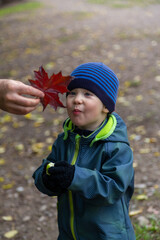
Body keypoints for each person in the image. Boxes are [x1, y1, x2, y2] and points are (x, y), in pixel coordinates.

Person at [33, 62, 135, 240]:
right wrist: (47, 179)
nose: (77, 99)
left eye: (88, 94)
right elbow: (46, 168)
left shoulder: (116, 146)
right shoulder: (64, 140)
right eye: (72, 93)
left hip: (107, 234)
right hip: (70, 232)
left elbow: (113, 189)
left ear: (106, 106)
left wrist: (74, 177)